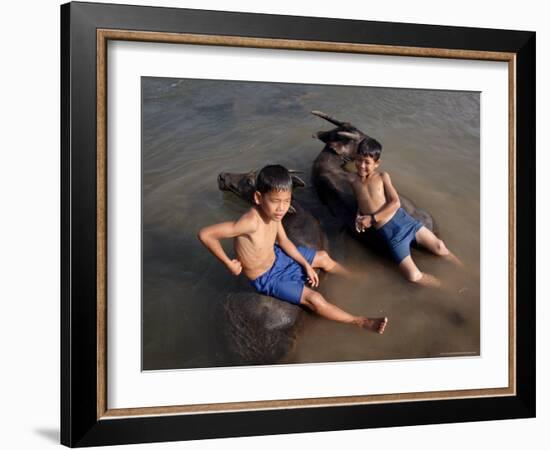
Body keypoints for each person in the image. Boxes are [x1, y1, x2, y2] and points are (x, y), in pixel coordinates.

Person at [198, 164, 387, 334]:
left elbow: (285, 242)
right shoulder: (249, 222)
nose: (281, 208)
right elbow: (206, 234)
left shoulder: (275, 215)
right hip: (267, 276)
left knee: (322, 257)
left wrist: (305, 264)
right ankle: (359, 321)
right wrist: (228, 263)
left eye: (286, 201)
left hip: (278, 257)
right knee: (315, 299)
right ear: (258, 197)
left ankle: (354, 277)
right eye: (275, 201)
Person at [350, 137, 462, 288]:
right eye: (358, 160)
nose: (361, 166)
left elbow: (395, 202)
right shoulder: (353, 181)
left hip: (406, 222)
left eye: (367, 162)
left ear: (377, 164)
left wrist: (371, 219)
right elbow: (360, 201)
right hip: (391, 235)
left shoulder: (383, 177)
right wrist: (359, 216)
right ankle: (447, 287)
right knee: (413, 276)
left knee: (440, 247)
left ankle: (463, 270)